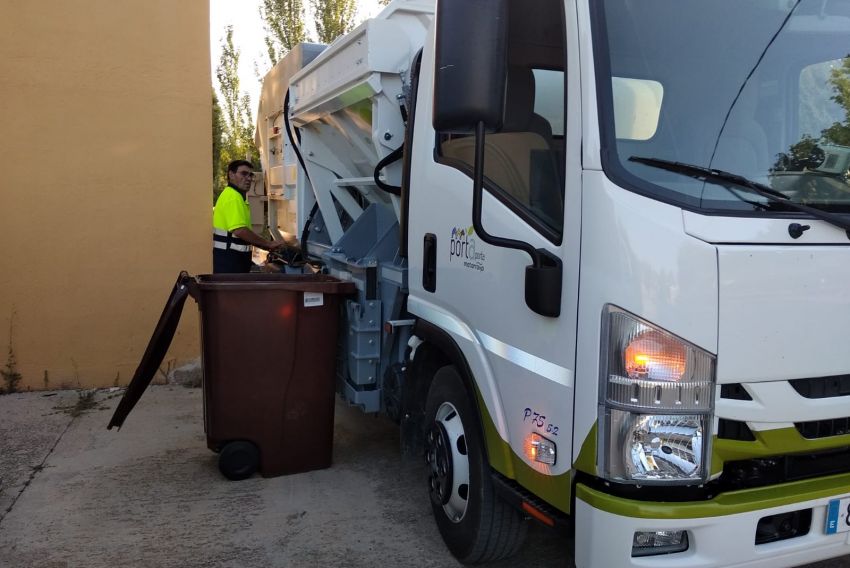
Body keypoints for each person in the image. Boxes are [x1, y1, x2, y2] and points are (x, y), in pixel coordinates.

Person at [213, 160, 285, 273]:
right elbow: (240, 231)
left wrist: (267, 247)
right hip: (230, 264)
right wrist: (268, 243)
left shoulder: (235, 196)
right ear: (231, 174)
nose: (249, 178)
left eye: (250, 175)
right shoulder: (233, 197)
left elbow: (242, 234)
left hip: (231, 261)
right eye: (243, 173)